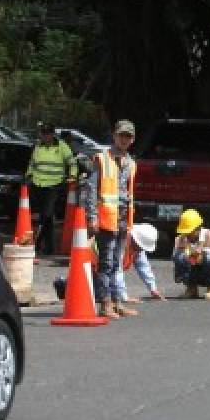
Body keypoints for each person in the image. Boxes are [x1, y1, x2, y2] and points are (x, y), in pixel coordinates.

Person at [85, 119, 139, 319]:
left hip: (123, 218)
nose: (124, 139)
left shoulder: (131, 163)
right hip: (106, 218)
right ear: (114, 136)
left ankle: (117, 302)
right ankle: (105, 303)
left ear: (132, 139)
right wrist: (92, 217)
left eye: (128, 136)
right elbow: (90, 190)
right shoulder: (101, 159)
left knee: (117, 263)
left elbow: (128, 193)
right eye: (121, 135)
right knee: (106, 262)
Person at [25, 122, 77, 255]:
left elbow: (72, 162)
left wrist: (72, 175)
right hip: (37, 185)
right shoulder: (37, 146)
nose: (45, 136)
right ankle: (48, 247)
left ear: (53, 134)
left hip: (54, 185)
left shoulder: (61, 146)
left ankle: (38, 244)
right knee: (45, 217)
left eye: (48, 133)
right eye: (43, 133)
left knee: (47, 214)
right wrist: (29, 175)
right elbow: (32, 163)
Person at [172, 209, 210, 300]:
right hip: (193, 269)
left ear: (198, 229)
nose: (187, 235)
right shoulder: (181, 238)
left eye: (189, 232)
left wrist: (203, 252)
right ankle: (191, 289)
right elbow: (175, 258)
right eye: (185, 232)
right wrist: (185, 253)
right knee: (179, 257)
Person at [115, 222, 166, 303]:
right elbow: (117, 269)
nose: (142, 250)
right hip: (95, 273)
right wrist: (124, 296)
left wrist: (153, 289)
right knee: (105, 295)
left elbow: (143, 266)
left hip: (107, 276)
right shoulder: (120, 240)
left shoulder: (137, 246)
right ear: (135, 240)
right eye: (141, 247)